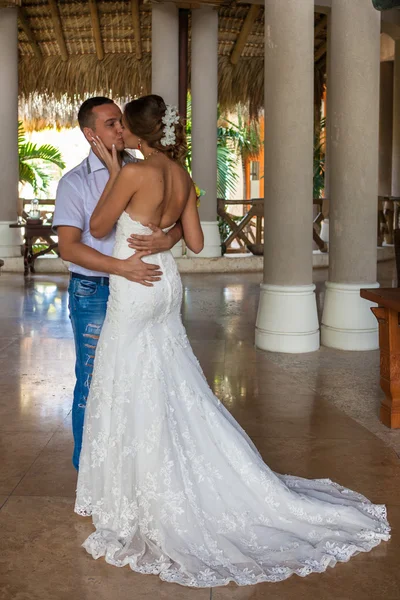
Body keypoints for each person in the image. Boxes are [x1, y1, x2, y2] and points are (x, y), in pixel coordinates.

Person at [75, 95, 390, 588]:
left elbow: (97, 227)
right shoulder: (180, 175)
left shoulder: (133, 173)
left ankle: (139, 493)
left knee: (126, 378)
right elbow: (197, 243)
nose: (116, 138)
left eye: (122, 130)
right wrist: (167, 233)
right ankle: (165, 476)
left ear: (134, 134)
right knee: (169, 379)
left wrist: (116, 171)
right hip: (164, 282)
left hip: (134, 288)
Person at [53, 97, 183, 470]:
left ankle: (133, 470)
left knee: (143, 378)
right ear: (90, 134)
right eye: (112, 124)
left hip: (142, 291)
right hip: (95, 291)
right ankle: (89, 470)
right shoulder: (73, 184)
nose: (121, 129)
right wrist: (120, 268)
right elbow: (69, 247)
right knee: (94, 382)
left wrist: (168, 239)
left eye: (122, 122)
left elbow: (182, 216)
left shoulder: (145, 168)